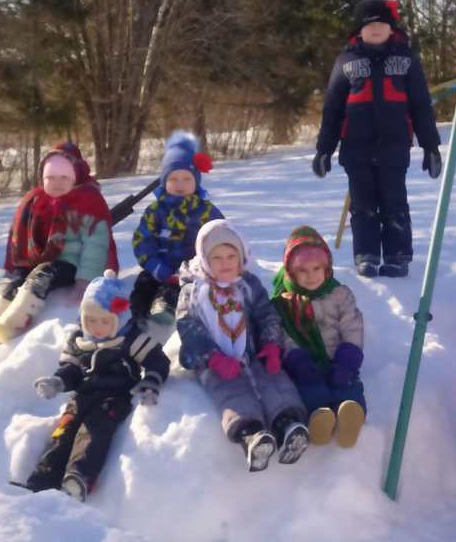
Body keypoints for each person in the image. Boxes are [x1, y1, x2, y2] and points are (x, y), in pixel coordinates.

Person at [312, 0, 441, 278]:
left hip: (394, 147)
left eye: (382, 25)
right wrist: (324, 149)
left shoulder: (406, 59)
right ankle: (366, 254)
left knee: (395, 202)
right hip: (355, 149)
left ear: (391, 27)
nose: (376, 29)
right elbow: (333, 110)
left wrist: (430, 146)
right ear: (359, 30)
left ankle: (398, 255)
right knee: (363, 205)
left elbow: (421, 106)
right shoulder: (346, 61)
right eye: (370, 26)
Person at [0, 142, 118, 348]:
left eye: (64, 177)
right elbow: (18, 235)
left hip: (73, 263)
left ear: (75, 175)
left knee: (43, 272)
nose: (57, 183)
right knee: (19, 277)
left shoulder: (87, 201)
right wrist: (14, 266)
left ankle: (12, 324)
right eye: (51, 178)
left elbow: (96, 244)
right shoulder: (36, 199)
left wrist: (85, 279)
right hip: (40, 258)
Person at [24, 270, 170, 501]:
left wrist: (151, 380)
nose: (97, 327)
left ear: (119, 319)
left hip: (113, 399)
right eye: (90, 320)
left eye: (105, 321)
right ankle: (43, 477)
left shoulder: (129, 340)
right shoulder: (80, 341)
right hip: (81, 398)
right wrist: (58, 381)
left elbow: (158, 360)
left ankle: (78, 476)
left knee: (92, 432)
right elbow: (71, 368)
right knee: (63, 432)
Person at [176, 219, 308, 472]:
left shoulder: (249, 285)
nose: (225, 263)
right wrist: (213, 358)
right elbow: (188, 327)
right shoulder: (193, 293)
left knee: (274, 379)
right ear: (204, 259)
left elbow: (266, 314)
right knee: (231, 391)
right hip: (213, 362)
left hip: (251, 352)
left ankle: (287, 424)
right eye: (217, 257)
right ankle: (251, 434)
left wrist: (271, 345)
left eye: (230, 256)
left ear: (241, 257)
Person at [271, 226, 366, 447]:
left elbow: (352, 326)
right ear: (291, 272)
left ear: (327, 268)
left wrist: (348, 360)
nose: (311, 276)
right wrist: (297, 360)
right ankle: (320, 419)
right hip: (304, 363)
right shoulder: (282, 303)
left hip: (339, 359)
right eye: (302, 270)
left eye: (317, 268)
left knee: (347, 385)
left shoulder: (340, 294)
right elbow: (282, 334)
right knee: (310, 389)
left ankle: (350, 416)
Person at [131, 130, 222, 326]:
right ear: (164, 182)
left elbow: (220, 236)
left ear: (196, 181)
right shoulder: (155, 211)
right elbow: (142, 240)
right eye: (173, 179)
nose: (180, 184)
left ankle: (169, 308)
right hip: (160, 267)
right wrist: (155, 265)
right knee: (144, 283)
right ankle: (136, 316)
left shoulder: (205, 210)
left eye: (186, 179)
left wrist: (205, 265)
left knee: (186, 288)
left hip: (193, 270)